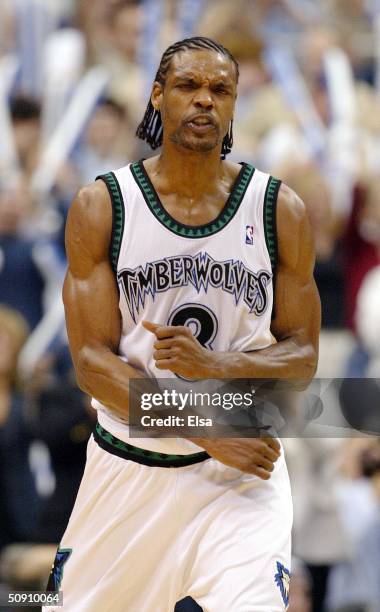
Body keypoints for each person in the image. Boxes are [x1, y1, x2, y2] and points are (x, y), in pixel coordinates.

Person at [45, 36, 320, 611]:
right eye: (189, 86)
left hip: (242, 477)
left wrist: (219, 365)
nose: (205, 101)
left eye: (220, 90)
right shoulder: (104, 206)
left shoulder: (278, 209)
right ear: (157, 96)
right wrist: (206, 425)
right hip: (129, 471)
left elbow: (302, 359)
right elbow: (92, 366)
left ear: (235, 106)